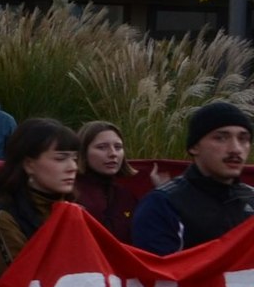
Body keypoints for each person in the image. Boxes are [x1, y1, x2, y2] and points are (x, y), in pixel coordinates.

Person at [133, 101, 254, 256]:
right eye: (220, 138)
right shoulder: (163, 204)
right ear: (194, 147)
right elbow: (157, 274)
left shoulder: (251, 198)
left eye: (243, 139)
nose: (236, 149)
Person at [0, 118, 80, 280]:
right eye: (60, 158)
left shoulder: (76, 212)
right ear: (29, 164)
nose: (72, 167)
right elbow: (23, 284)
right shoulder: (4, 219)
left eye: (74, 159)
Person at [73, 120, 138, 244]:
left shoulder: (125, 195)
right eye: (102, 147)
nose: (113, 154)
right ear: (83, 152)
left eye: (118, 147)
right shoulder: (70, 192)